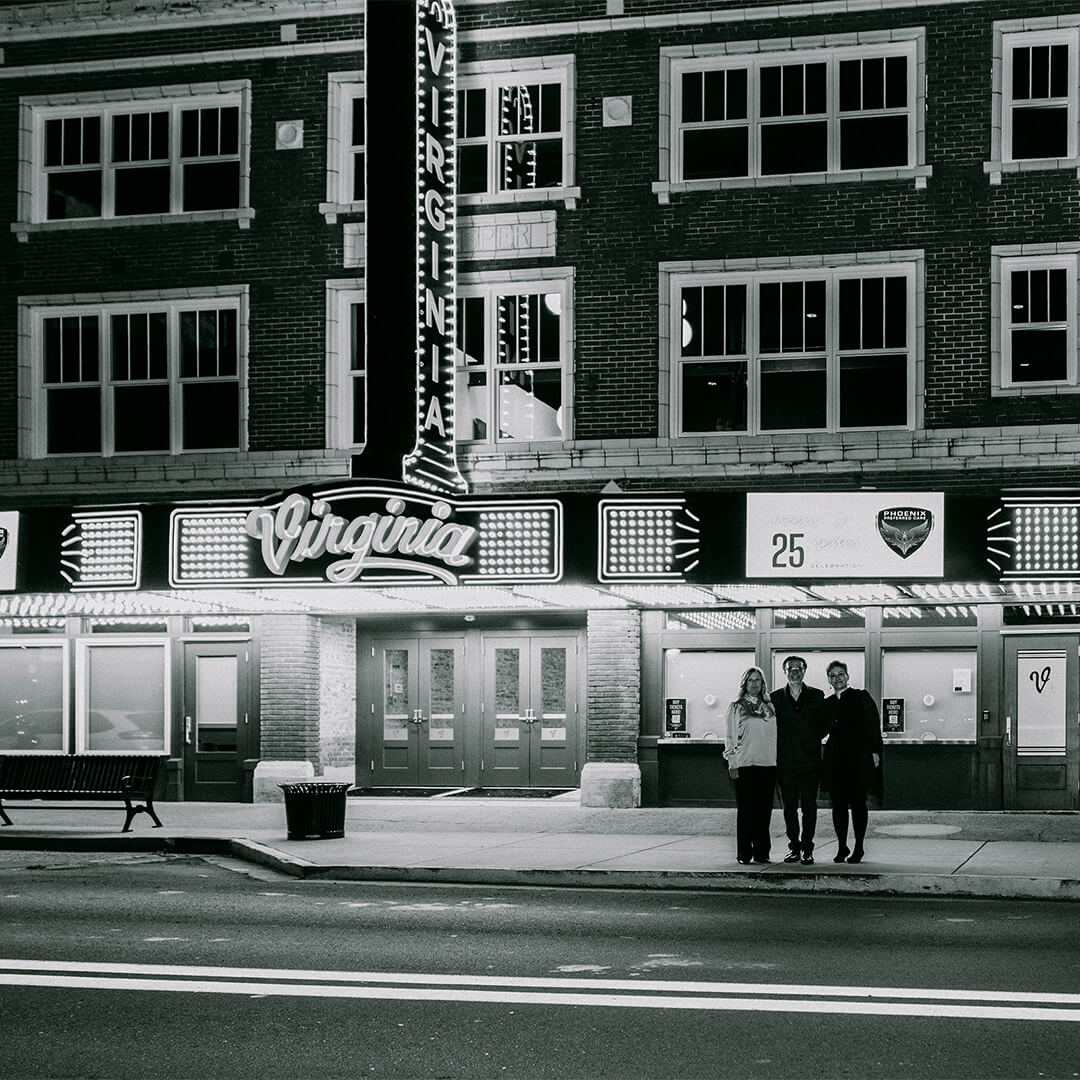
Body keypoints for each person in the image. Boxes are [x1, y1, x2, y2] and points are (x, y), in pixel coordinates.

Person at [822, 660, 884, 864]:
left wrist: (875, 752)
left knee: (858, 803)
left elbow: (873, 725)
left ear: (847, 676)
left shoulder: (861, 697)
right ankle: (842, 846)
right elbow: (820, 729)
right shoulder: (828, 703)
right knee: (838, 805)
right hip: (835, 759)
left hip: (858, 758)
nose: (837, 679)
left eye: (841, 674)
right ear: (829, 680)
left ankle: (858, 846)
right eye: (833, 676)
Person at [770, 656, 828, 865]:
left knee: (810, 807)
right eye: (790, 668)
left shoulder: (817, 695)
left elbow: (825, 724)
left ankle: (807, 849)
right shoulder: (774, 698)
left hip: (810, 763)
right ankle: (794, 847)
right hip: (785, 763)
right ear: (784, 671)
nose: (795, 671)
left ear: (805, 671)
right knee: (789, 808)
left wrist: (811, 739)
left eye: (799, 668)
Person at [723, 666, 777, 865]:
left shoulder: (770, 707)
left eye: (758, 680)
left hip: (768, 764)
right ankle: (744, 853)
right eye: (751, 680)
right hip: (745, 764)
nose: (754, 683)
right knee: (747, 811)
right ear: (744, 683)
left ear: (763, 684)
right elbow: (730, 736)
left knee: (764, 811)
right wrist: (732, 762)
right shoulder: (736, 707)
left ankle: (762, 852)